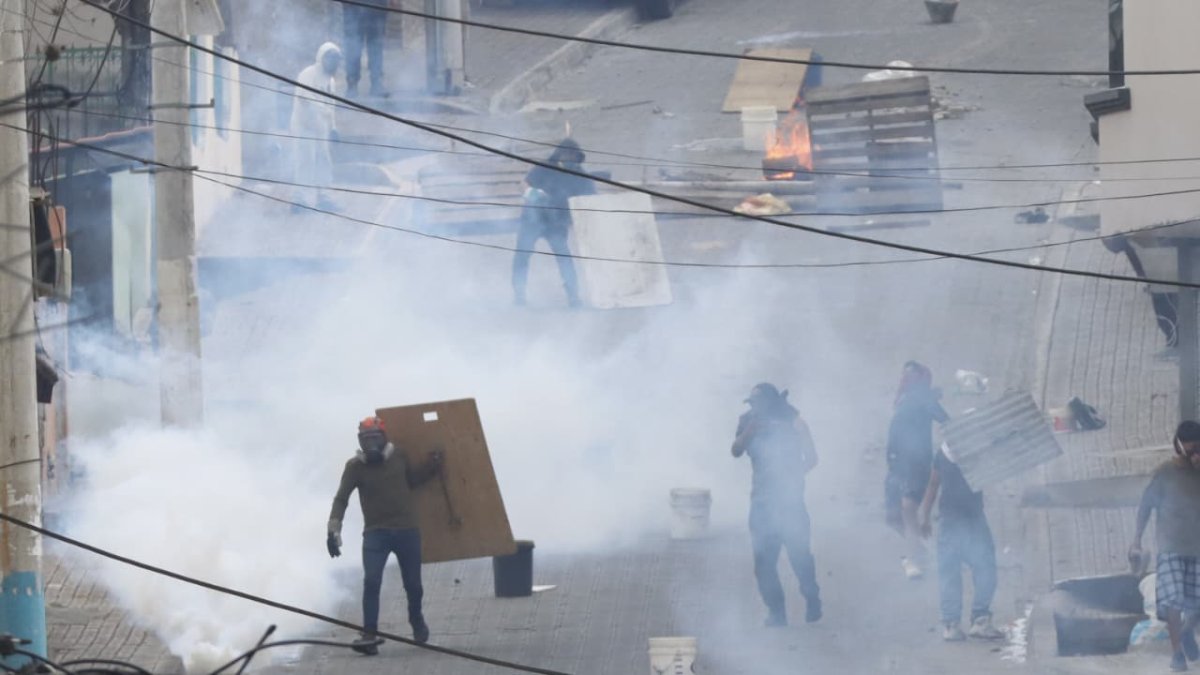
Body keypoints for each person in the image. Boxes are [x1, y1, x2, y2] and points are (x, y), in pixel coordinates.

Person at [328, 416, 444, 655]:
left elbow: (411, 481)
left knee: (413, 585)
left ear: (384, 438)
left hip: (407, 531)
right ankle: (369, 633)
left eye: (375, 439)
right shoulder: (355, 467)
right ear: (360, 441)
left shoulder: (399, 456)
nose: (371, 445)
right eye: (366, 440)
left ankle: (416, 619)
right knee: (371, 581)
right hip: (375, 534)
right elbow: (341, 499)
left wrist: (431, 468)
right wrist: (333, 530)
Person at [731, 383, 822, 627]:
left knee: (799, 556)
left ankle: (812, 596)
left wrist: (793, 478)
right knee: (763, 563)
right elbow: (736, 450)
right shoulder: (747, 421)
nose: (755, 408)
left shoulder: (794, 422)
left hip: (790, 504)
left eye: (759, 404)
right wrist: (749, 431)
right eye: (753, 404)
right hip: (761, 503)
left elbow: (812, 458)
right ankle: (777, 613)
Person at [1130, 421, 1200, 672]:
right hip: (1170, 547)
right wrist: (1137, 539)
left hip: (1197, 548)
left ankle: (1186, 632)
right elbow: (1146, 505)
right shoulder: (1164, 473)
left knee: (1196, 605)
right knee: (1173, 601)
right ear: (1180, 445)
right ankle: (1177, 654)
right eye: (1192, 448)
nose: (1196, 453)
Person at [918, 445, 1005, 642]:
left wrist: (924, 514)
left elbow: (933, 484)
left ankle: (950, 625)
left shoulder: (942, 452)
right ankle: (980, 620)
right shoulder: (978, 451)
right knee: (985, 568)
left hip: (949, 520)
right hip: (973, 520)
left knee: (949, 572)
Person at [511, 138, 596, 308]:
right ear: (559, 154)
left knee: (564, 258)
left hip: (556, 223)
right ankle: (519, 295)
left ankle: (573, 297)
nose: (568, 158)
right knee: (522, 256)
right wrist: (531, 192)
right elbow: (524, 183)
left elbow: (590, 198)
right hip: (532, 219)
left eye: (572, 155)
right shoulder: (544, 168)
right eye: (566, 154)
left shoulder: (581, 176)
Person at [885, 361, 948, 580]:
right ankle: (920, 549)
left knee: (908, 508)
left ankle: (914, 559)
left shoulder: (923, 398)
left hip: (917, 464)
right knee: (891, 516)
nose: (905, 380)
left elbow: (946, 421)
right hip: (897, 464)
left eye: (911, 376)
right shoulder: (902, 397)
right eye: (904, 375)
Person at [291, 42, 342, 213]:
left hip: (321, 128)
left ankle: (324, 197)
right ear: (322, 58)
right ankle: (300, 200)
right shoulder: (308, 74)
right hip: (303, 126)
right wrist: (323, 109)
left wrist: (333, 127)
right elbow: (305, 96)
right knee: (305, 161)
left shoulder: (331, 81)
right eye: (331, 58)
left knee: (324, 161)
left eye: (337, 59)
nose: (334, 63)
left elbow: (331, 106)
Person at [342, 0, 388, 98]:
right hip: (353, 5)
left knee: (376, 43)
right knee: (353, 44)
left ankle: (377, 83)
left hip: (377, 5)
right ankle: (352, 84)